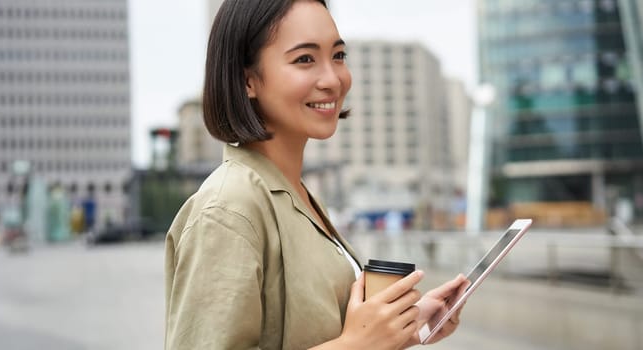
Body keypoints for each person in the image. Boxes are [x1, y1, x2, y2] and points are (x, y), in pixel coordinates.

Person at [164, 0, 468, 349]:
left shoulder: (298, 195)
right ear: (248, 80)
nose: (332, 79)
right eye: (305, 59)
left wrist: (404, 328)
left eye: (338, 56)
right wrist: (356, 344)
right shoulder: (227, 210)